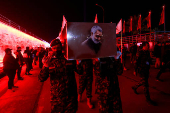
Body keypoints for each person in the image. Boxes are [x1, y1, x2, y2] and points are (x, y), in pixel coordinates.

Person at [38, 38, 78, 113]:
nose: (56, 50)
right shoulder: (49, 60)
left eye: (58, 48)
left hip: (71, 97)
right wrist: (46, 67)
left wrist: (79, 61)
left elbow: (80, 71)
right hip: (57, 98)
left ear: (61, 48)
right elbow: (41, 78)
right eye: (54, 48)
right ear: (51, 49)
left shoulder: (69, 58)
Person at [132, 42, 157, 106]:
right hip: (141, 70)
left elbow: (149, 60)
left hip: (146, 70)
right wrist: (135, 70)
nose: (148, 46)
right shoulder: (140, 52)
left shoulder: (147, 52)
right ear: (144, 46)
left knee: (143, 81)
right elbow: (136, 61)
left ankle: (135, 87)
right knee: (145, 85)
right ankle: (148, 99)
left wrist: (153, 63)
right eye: (147, 45)